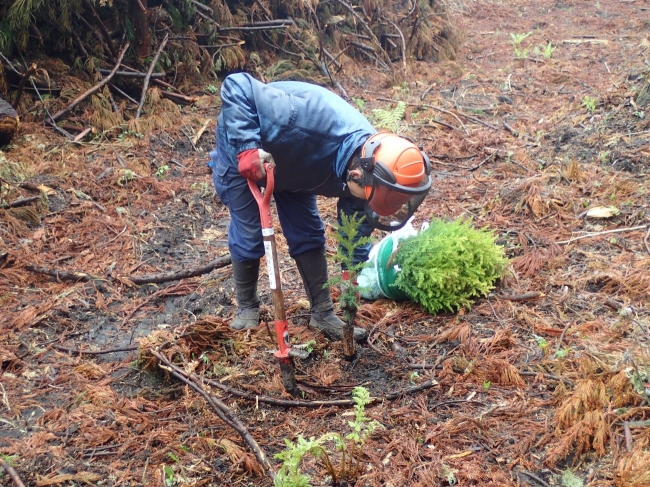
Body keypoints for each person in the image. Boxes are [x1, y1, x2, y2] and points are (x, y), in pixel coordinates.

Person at [209, 73, 431, 342]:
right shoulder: (300, 119)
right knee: (250, 233)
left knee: (308, 232)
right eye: (368, 198)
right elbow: (238, 86)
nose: (365, 203)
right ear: (357, 175)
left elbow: (356, 227)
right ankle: (248, 310)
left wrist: (352, 272)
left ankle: (323, 313)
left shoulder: (375, 164)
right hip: (250, 145)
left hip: (299, 164)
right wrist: (246, 149)